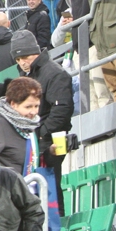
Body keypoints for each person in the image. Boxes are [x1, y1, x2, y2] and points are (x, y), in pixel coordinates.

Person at [11, 29, 73, 215]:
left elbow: (62, 110)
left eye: (25, 56)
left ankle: (55, 223)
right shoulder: (25, 76)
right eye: (18, 58)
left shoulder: (54, 73)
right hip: (33, 141)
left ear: (35, 52)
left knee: (49, 184)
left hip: (49, 141)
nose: (22, 61)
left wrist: (41, 133)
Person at [0, 76, 42, 175]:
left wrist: (51, 153)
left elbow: (26, 159)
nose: (33, 112)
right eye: (28, 106)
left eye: (36, 106)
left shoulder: (29, 125)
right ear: (13, 104)